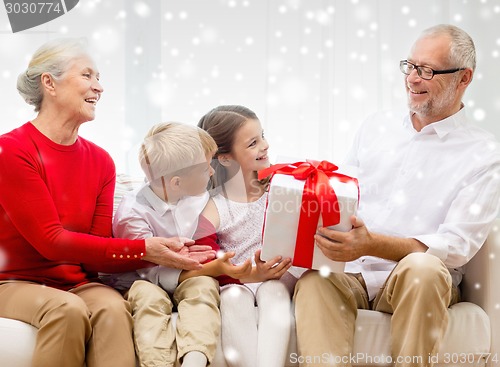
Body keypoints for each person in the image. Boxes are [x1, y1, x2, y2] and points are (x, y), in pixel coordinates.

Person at [293, 24, 500, 367]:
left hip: (418, 280)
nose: (413, 79)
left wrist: (372, 244)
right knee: (316, 280)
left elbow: (457, 245)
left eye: (427, 70)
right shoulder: (375, 126)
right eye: (410, 66)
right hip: (354, 274)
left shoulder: (484, 154)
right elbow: (343, 195)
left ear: (464, 79)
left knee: (424, 268)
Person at [0, 38, 214, 367]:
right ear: (49, 83)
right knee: (66, 310)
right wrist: (144, 249)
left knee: (114, 308)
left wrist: (168, 254)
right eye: (87, 76)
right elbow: (51, 241)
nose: (98, 87)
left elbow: (101, 250)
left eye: (99, 78)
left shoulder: (100, 161)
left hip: (77, 282)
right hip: (13, 282)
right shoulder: (13, 150)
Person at [108, 122, 251, 367]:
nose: (211, 173)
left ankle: (194, 360)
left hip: (190, 274)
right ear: (176, 183)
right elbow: (150, 272)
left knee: (204, 286)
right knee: (148, 299)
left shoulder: (198, 196)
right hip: (143, 279)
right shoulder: (132, 214)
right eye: (205, 168)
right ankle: (158, 363)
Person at [198, 105, 299, 367]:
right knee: (232, 298)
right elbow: (204, 258)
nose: (265, 146)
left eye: (262, 136)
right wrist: (243, 275)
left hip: (278, 278)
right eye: (253, 143)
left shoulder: (281, 186)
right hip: (237, 282)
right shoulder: (213, 206)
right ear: (225, 158)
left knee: (273, 291)